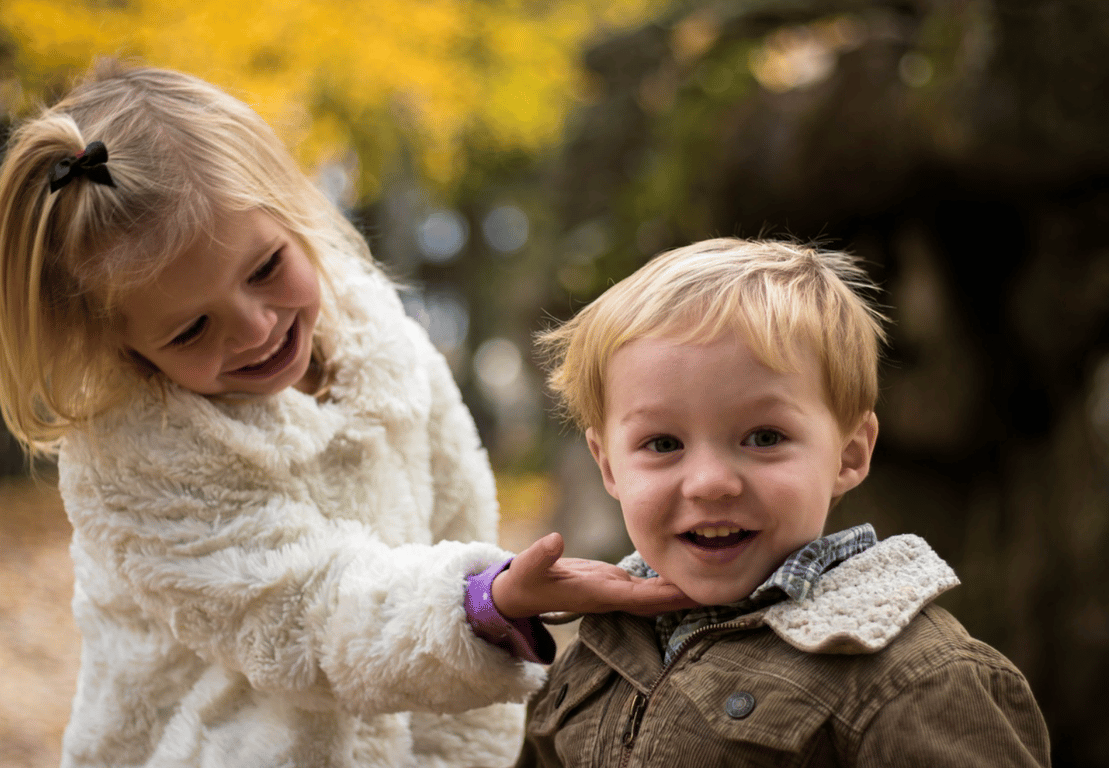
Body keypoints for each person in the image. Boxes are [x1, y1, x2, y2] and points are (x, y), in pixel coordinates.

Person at [0, 60, 690, 768]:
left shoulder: (376, 337)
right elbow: (302, 617)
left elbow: (456, 506)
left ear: (294, 212)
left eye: (266, 268)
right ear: (121, 345)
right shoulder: (136, 456)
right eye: (189, 331)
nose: (254, 328)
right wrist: (481, 605)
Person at [513, 238, 1052, 766]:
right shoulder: (599, 647)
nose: (709, 483)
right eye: (663, 445)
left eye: (764, 438)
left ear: (848, 454)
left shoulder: (914, 677)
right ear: (608, 465)